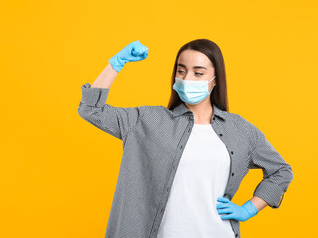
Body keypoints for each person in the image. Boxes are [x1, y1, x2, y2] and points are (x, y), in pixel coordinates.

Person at [78, 39, 294, 238]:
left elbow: (281, 171)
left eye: (198, 73)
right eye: (181, 71)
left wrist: (248, 208)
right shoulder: (147, 121)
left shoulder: (239, 129)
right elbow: (91, 110)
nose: (187, 78)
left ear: (215, 80)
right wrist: (116, 63)